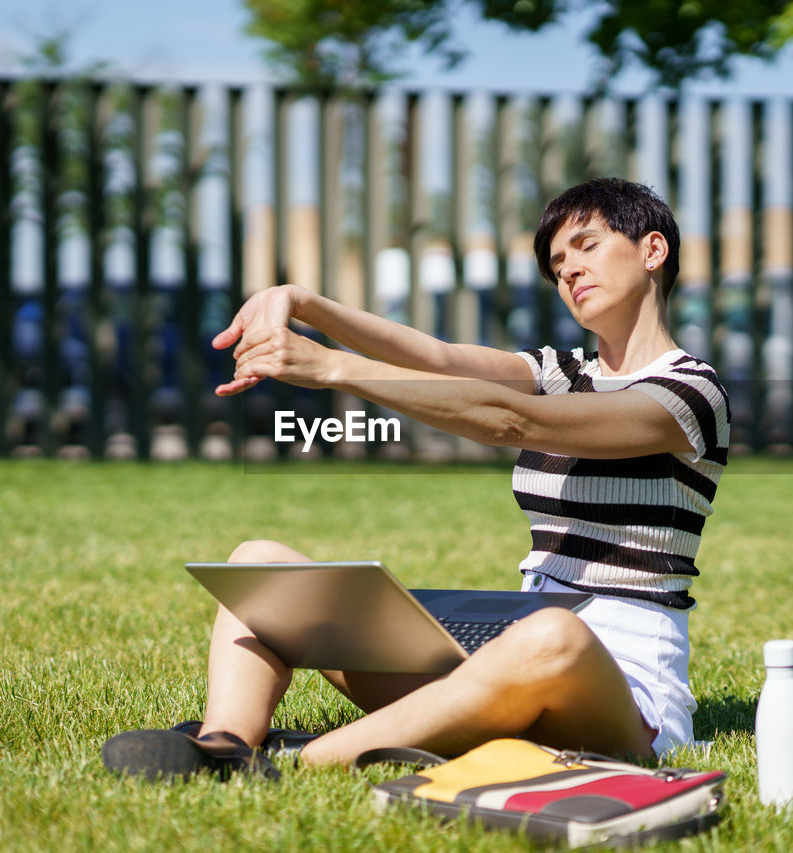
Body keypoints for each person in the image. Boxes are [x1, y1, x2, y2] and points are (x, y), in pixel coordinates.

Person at [102, 177, 730, 781]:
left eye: (586, 247)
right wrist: (303, 302)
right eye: (556, 262)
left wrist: (331, 368)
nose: (567, 270)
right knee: (259, 563)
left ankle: (305, 760)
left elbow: (513, 422)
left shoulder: (692, 393)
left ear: (653, 250)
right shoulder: (559, 369)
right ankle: (225, 744)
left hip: (618, 690)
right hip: (500, 662)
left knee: (554, 636)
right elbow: (435, 358)